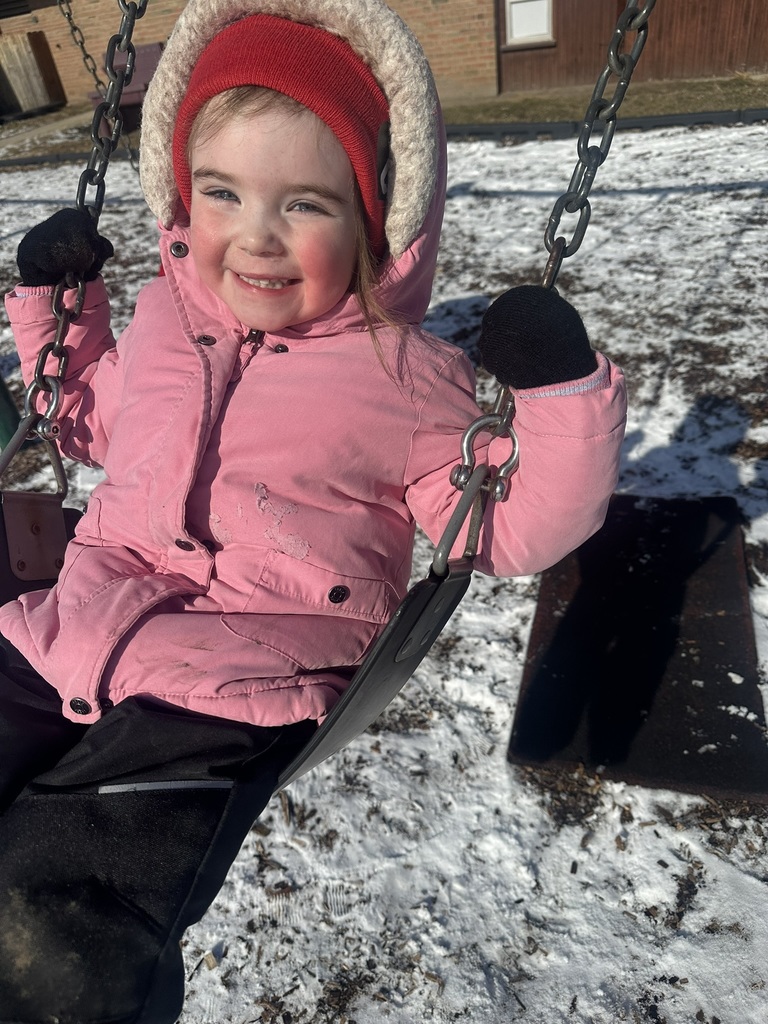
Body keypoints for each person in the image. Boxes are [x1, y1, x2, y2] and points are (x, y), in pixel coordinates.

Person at [0, 0, 627, 1020]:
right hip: (67, 625)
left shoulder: (409, 375)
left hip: (230, 691)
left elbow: (504, 529)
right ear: (181, 195)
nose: (256, 236)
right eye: (223, 193)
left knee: (61, 913)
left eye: (305, 204)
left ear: (375, 217)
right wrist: (52, 303)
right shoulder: (163, 319)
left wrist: (561, 396)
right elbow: (76, 419)